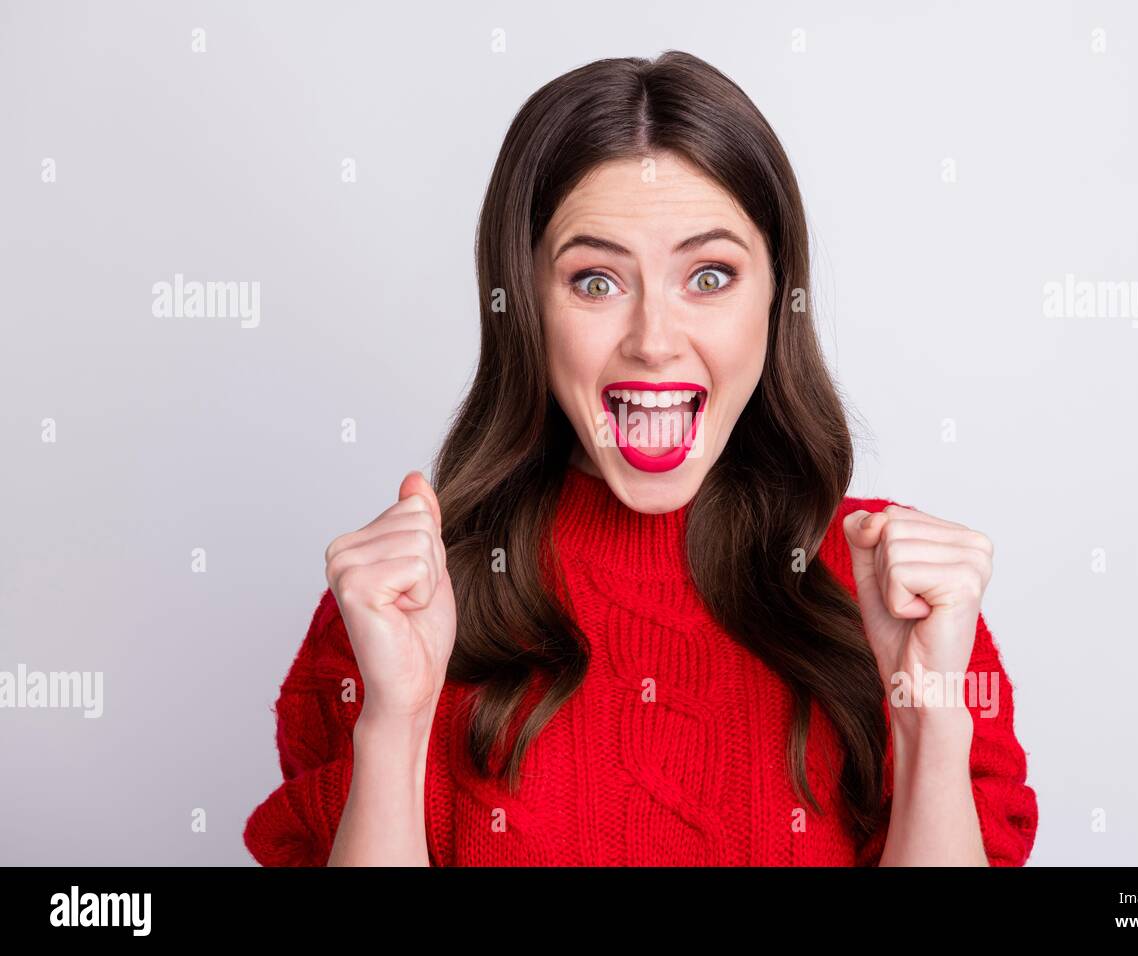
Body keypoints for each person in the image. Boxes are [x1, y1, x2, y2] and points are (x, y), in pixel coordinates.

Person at [243, 50, 1038, 866]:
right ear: (524, 306)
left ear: (778, 296)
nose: (654, 342)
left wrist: (929, 720)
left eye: (710, 275)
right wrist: (396, 727)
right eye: (595, 282)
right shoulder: (406, 605)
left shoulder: (900, 601)